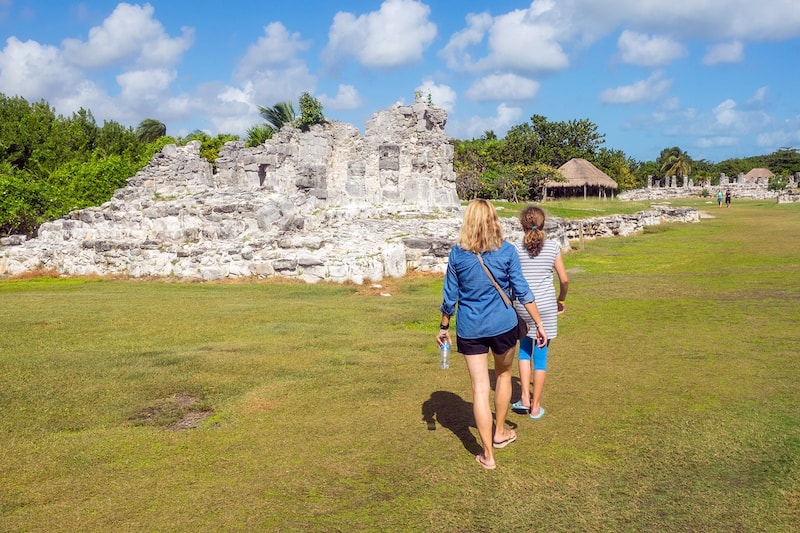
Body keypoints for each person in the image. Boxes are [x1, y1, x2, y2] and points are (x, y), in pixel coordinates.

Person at [437, 199, 548, 470]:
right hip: (503, 325)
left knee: (479, 388)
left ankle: (488, 455)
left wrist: (444, 327)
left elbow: (450, 296)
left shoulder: (457, 254)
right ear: (494, 220)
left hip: (470, 328)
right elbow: (522, 290)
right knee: (503, 375)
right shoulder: (507, 251)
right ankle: (499, 432)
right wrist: (539, 323)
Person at [511, 205, 569, 420]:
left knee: (524, 350)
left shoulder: (516, 248)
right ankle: (535, 406)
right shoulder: (552, 247)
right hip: (546, 306)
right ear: (543, 224)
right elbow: (564, 279)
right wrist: (561, 299)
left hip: (524, 306)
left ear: (522, 225)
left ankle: (524, 398)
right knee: (541, 355)